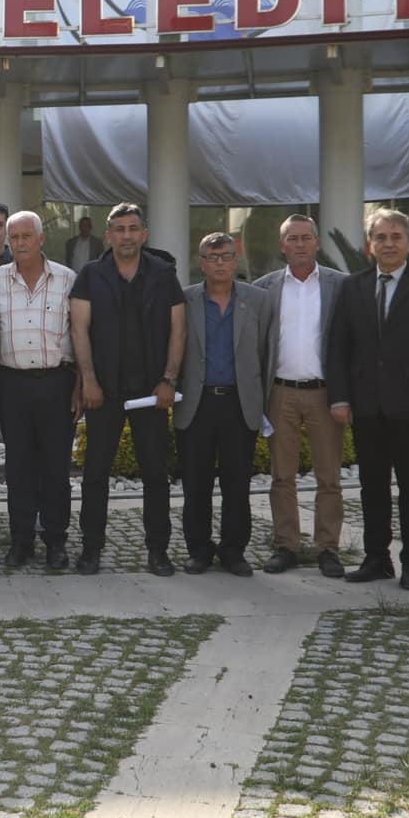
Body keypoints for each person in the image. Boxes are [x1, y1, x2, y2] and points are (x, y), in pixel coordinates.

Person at [327, 208, 409, 591]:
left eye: (396, 237)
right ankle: (376, 559)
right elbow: (338, 347)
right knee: (372, 487)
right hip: (366, 407)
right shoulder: (353, 287)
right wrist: (340, 398)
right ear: (370, 245)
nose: (389, 244)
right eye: (381, 237)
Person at [70, 203, 184, 576]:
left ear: (144, 234)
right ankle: (91, 548)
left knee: (155, 474)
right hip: (104, 390)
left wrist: (168, 380)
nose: (126, 236)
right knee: (94, 474)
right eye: (119, 229)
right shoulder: (90, 275)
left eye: (133, 228)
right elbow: (79, 330)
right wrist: (88, 381)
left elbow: (178, 328)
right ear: (108, 235)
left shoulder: (164, 274)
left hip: (151, 392)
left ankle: (158, 550)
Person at [252, 215, 348, 577]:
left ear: (317, 242)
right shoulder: (265, 288)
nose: (300, 244)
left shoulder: (340, 285)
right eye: (292, 238)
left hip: (325, 394)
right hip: (281, 393)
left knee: (329, 477)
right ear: (282, 245)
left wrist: (346, 395)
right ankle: (286, 546)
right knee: (282, 476)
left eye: (307, 237)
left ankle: (328, 548)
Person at [175, 233, 270, 577]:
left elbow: (266, 351)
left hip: (239, 403)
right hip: (197, 403)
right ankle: (198, 550)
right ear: (201, 262)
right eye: (212, 257)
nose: (219, 263)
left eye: (226, 256)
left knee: (237, 483)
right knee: (195, 483)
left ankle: (233, 551)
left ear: (235, 260)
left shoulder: (259, 300)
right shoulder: (185, 300)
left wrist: (265, 403)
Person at [0, 211, 80, 570]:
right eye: (14, 237)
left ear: (41, 239)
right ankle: (21, 540)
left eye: (27, 236)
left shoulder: (67, 279)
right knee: (18, 467)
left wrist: (81, 383)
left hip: (56, 382)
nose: (20, 243)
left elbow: (80, 334)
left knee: (56, 468)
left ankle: (55, 540)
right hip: (12, 384)